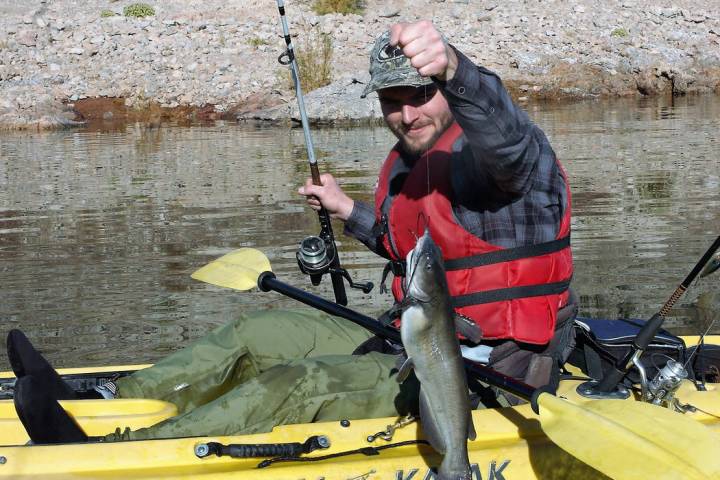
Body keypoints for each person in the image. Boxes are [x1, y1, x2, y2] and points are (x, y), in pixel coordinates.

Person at [9, 20, 575, 444]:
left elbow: (508, 137)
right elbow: (417, 253)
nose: (407, 114)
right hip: (409, 337)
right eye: (392, 102)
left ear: (446, 92)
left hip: (486, 373)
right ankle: (102, 400)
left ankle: (117, 450)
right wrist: (348, 210)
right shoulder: (406, 166)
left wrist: (454, 66)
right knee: (256, 337)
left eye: (421, 95)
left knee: (295, 382)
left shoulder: (512, 169)